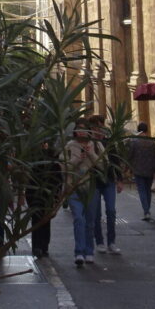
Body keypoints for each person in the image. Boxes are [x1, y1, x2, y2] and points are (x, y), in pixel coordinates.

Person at [64, 121, 104, 266]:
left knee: (90, 221)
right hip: (74, 187)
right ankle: (79, 252)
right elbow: (63, 167)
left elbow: (103, 165)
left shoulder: (97, 145)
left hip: (91, 187)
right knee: (78, 219)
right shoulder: (69, 146)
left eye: (84, 129)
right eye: (79, 130)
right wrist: (77, 159)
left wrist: (91, 154)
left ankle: (89, 252)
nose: (81, 132)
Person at [88, 114, 123, 255]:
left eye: (100, 126)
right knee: (96, 213)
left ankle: (111, 242)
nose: (98, 130)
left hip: (108, 180)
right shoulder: (88, 144)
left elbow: (115, 160)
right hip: (94, 181)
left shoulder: (109, 142)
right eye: (95, 127)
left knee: (111, 211)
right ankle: (100, 242)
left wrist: (119, 179)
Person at [127, 122, 155, 221]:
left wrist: (127, 166)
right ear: (147, 130)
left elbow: (130, 155)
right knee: (147, 191)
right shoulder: (152, 142)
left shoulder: (134, 142)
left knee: (142, 191)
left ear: (138, 130)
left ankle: (146, 211)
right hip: (150, 170)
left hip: (138, 170)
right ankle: (147, 210)